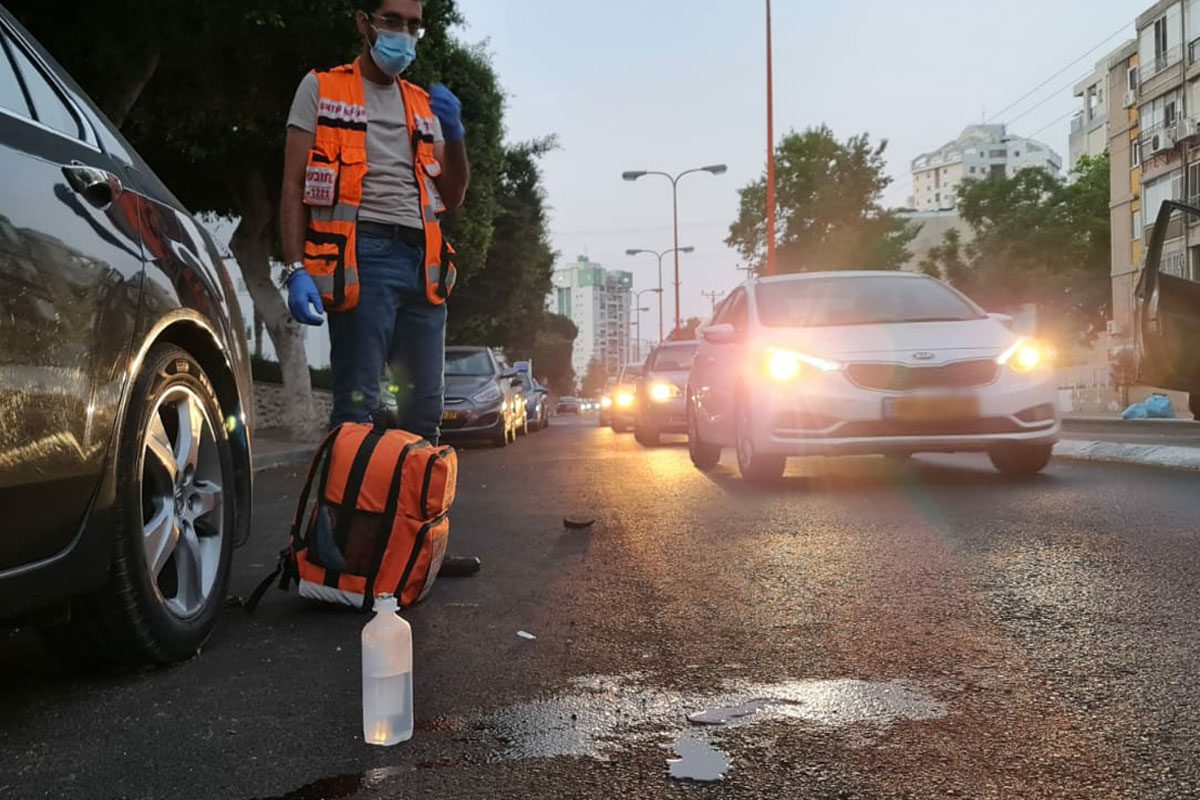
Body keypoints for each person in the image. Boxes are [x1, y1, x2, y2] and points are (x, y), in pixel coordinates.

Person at [280, 0, 478, 577]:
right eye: (392, 20)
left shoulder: (422, 104)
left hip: (424, 264)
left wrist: (456, 136)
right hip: (361, 254)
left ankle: (413, 551)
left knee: (425, 412)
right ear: (363, 22)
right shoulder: (321, 88)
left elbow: (453, 196)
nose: (404, 33)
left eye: (414, 24)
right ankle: (342, 557)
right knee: (358, 410)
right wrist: (294, 269)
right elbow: (292, 184)